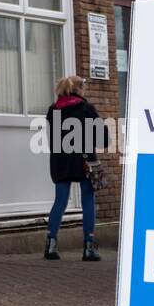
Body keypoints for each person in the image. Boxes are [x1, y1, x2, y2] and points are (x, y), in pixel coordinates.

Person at [43, 75, 107, 262]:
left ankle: (51, 245)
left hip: (60, 161)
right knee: (88, 200)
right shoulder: (86, 109)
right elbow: (103, 139)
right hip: (83, 161)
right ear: (80, 90)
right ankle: (88, 248)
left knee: (60, 201)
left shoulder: (53, 110)